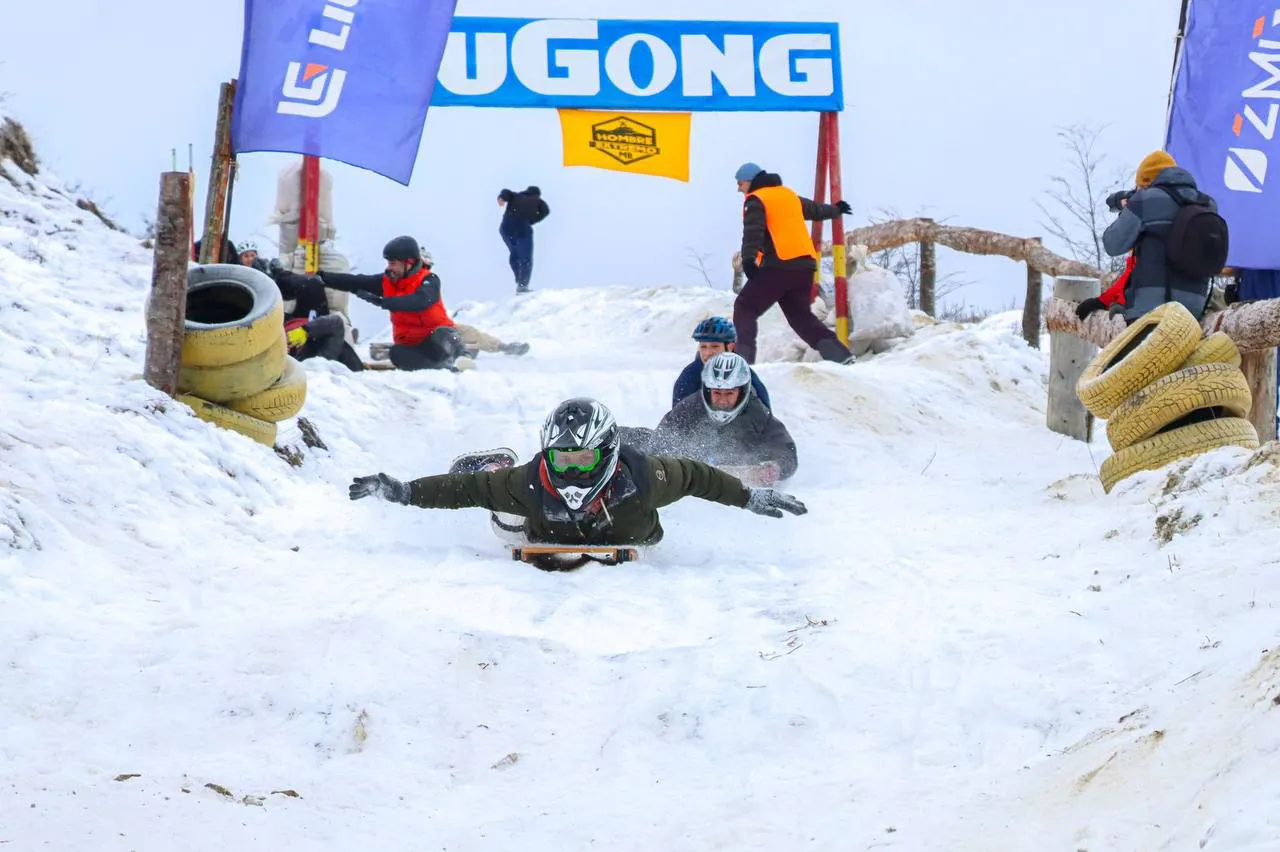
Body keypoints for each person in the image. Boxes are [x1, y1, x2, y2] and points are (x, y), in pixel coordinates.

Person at [348, 397, 807, 560]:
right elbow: (463, 490)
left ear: (607, 454)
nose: (571, 471)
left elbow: (699, 476)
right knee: (500, 508)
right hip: (537, 527)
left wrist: (748, 499)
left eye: (583, 459)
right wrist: (404, 491)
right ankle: (494, 462)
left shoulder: (643, 477)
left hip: (627, 530)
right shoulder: (531, 480)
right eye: (561, 459)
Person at [272, 236, 468, 372]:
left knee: (446, 335)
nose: (389, 268)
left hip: (437, 339)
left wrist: (384, 302)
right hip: (414, 346)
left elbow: (420, 301)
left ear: (409, 263)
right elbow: (355, 281)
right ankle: (441, 369)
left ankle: (459, 358)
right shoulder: (387, 281)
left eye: (393, 263)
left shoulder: (429, 280)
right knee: (397, 354)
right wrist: (322, 277)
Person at [1078, 150, 1228, 324]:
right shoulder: (1207, 204)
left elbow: (1112, 244)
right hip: (1194, 310)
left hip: (1151, 311)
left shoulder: (1145, 200)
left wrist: (1130, 209)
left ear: (1146, 182)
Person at [733, 162, 856, 366]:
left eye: (740, 183)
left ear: (750, 181)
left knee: (745, 306)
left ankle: (742, 362)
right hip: (804, 268)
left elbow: (753, 231)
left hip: (778, 265)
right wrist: (836, 209)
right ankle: (840, 355)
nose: (739, 189)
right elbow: (815, 210)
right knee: (801, 317)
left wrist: (748, 259)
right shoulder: (788, 196)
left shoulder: (756, 199)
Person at [632, 353, 797, 482]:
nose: (723, 400)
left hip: (733, 484)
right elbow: (661, 440)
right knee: (632, 443)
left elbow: (785, 451)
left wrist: (773, 469)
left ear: (743, 391)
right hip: (692, 476)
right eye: (717, 393)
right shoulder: (690, 407)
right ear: (707, 389)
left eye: (730, 393)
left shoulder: (758, 414)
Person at [672, 316, 771, 410]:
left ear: (730, 347)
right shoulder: (689, 377)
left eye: (715, 346)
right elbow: (676, 421)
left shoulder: (746, 376)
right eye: (703, 347)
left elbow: (766, 420)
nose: (708, 353)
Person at [497, 186, 550, 294]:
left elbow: (506, 192)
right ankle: (522, 285)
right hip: (522, 229)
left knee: (515, 254)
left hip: (506, 227)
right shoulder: (538, 201)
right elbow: (546, 211)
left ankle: (519, 278)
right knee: (526, 259)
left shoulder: (516, 195)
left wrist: (501, 198)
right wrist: (532, 220)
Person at [285, 315, 363, 372]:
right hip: (330, 333)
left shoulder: (319, 362)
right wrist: (305, 330)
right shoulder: (325, 356)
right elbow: (337, 322)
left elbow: (336, 322)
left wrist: (305, 330)